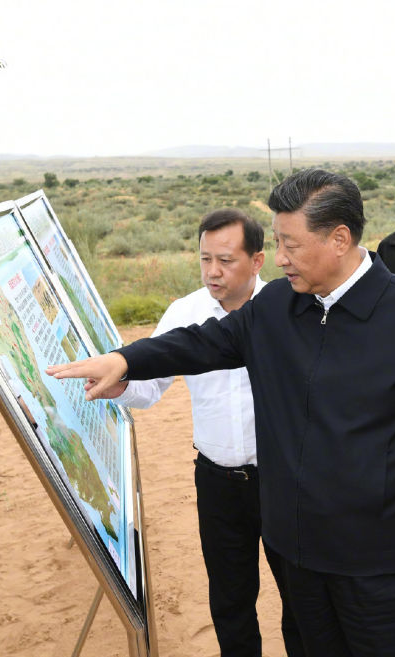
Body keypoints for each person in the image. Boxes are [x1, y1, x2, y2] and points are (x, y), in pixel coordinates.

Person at [49, 169, 395, 657]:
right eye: (277, 242)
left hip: (383, 560)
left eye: (290, 245)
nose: (278, 259)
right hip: (300, 552)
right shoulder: (278, 304)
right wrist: (125, 361)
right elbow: (202, 342)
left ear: (339, 239)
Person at [112, 208, 303, 656]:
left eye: (225, 260)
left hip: (284, 479)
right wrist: (118, 383)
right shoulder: (186, 312)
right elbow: (148, 386)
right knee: (231, 599)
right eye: (205, 259)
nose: (213, 272)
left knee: (301, 597)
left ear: (257, 261)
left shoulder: (287, 306)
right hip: (218, 482)